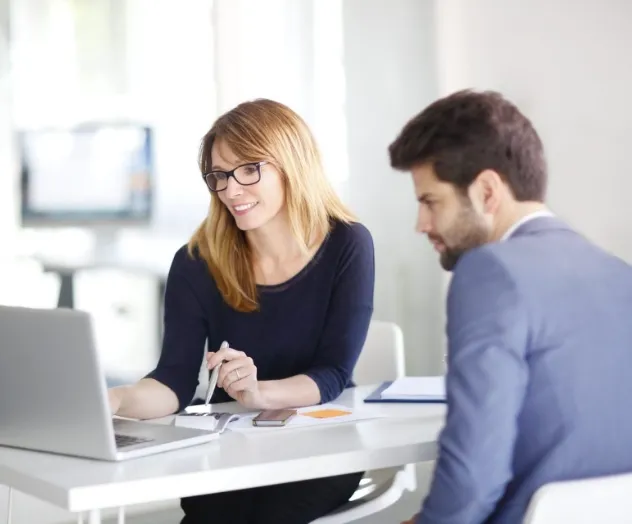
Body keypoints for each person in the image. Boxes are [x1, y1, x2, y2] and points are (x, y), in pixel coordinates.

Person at [108, 98, 374, 524]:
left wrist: (257, 392)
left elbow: (333, 374)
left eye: (249, 169)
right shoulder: (196, 262)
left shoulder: (347, 244)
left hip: (319, 446)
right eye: (219, 175)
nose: (230, 190)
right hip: (228, 451)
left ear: (292, 164)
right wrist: (114, 398)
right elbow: (173, 382)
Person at [389, 89, 632, 524]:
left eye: (430, 202)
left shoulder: (490, 271)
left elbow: (473, 477)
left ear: (486, 191)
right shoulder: (619, 272)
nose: (421, 225)